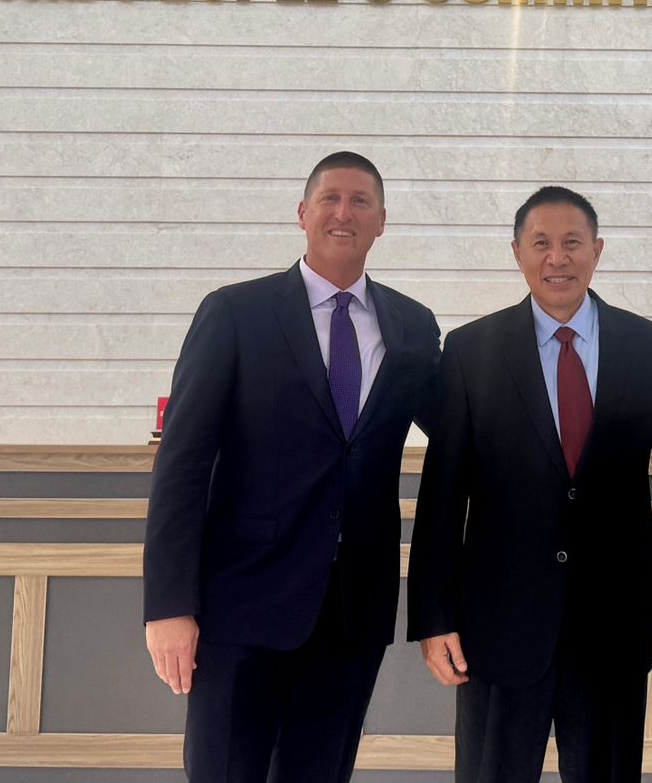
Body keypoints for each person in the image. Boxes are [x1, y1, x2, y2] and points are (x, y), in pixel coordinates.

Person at [141, 151, 440, 783]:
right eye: (330, 198)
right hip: (239, 607)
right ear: (303, 213)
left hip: (352, 615)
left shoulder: (413, 326)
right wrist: (169, 606)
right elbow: (183, 463)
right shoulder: (235, 312)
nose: (343, 213)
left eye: (360, 201)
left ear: (382, 221)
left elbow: (461, 431)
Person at [407, 184, 652, 783]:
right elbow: (442, 496)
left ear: (597, 250)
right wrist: (433, 617)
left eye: (572, 243)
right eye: (540, 244)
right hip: (497, 627)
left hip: (611, 628)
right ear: (517, 253)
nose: (557, 258)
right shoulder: (471, 351)